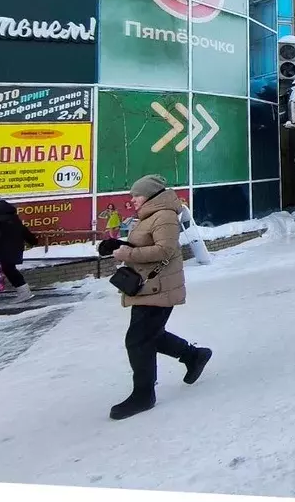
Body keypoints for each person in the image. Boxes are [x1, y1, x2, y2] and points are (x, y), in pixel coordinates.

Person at [98, 174, 212, 421]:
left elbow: (165, 250)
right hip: (149, 286)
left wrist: (127, 253)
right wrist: (116, 245)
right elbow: (144, 245)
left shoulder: (166, 216)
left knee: (138, 341)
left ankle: (143, 395)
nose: (132, 201)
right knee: (150, 335)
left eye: (136, 196)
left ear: (149, 195)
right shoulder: (151, 216)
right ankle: (194, 356)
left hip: (159, 287)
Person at [0, 196, 38, 301]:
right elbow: (23, 230)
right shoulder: (12, 215)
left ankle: (24, 293)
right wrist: (33, 241)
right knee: (9, 270)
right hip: (13, 249)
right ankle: (24, 292)